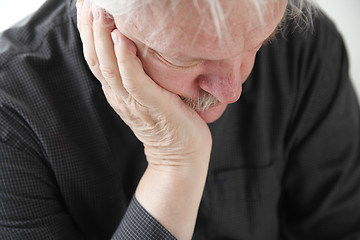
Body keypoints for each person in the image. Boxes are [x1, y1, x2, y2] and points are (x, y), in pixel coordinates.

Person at [0, 0, 359, 239]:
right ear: (100, 15)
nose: (232, 89)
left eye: (256, 42)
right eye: (185, 59)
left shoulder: (306, 48)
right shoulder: (11, 116)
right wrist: (175, 165)